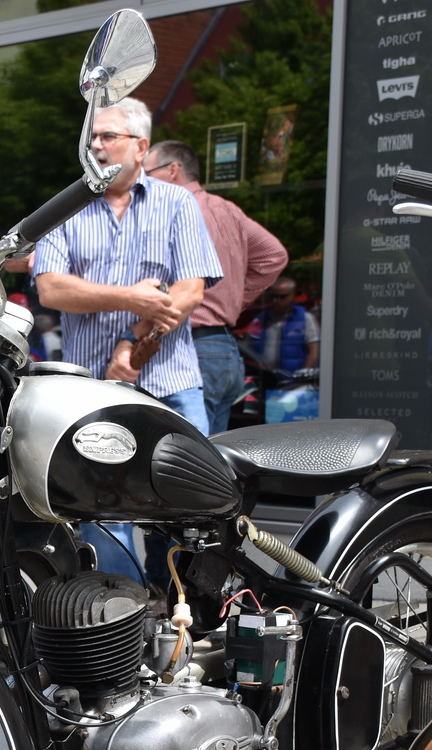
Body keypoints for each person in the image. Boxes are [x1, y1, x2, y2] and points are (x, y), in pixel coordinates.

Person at [33, 97, 222, 586]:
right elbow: (51, 288)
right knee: (101, 512)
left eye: (108, 136)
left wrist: (131, 341)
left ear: (141, 147)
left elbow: (190, 290)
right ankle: (117, 614)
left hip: (170, 382)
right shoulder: (67, 203)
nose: (95, 145)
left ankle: (185, 623)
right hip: (89, 392)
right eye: (92, 137)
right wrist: (131, 298)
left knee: (188, 507)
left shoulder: (177, 202)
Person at [143, 139, 286, 434]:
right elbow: (274, 255)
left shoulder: (173, 211)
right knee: (211, 465)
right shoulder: (226, 209)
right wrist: (233, 300)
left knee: (181, 460)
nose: (142, 182)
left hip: (189, 351)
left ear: (172, 170)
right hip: (224, 350)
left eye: (148, 173)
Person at [243, 277, 319, 374]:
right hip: (267, 379)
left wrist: (303, 373)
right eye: (273, 296)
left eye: (282, 297)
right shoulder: (260, 320)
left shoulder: (304, 318)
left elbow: (313, 351)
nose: (276, 300)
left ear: (292, 296)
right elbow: (248, 348)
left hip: (294, 381)